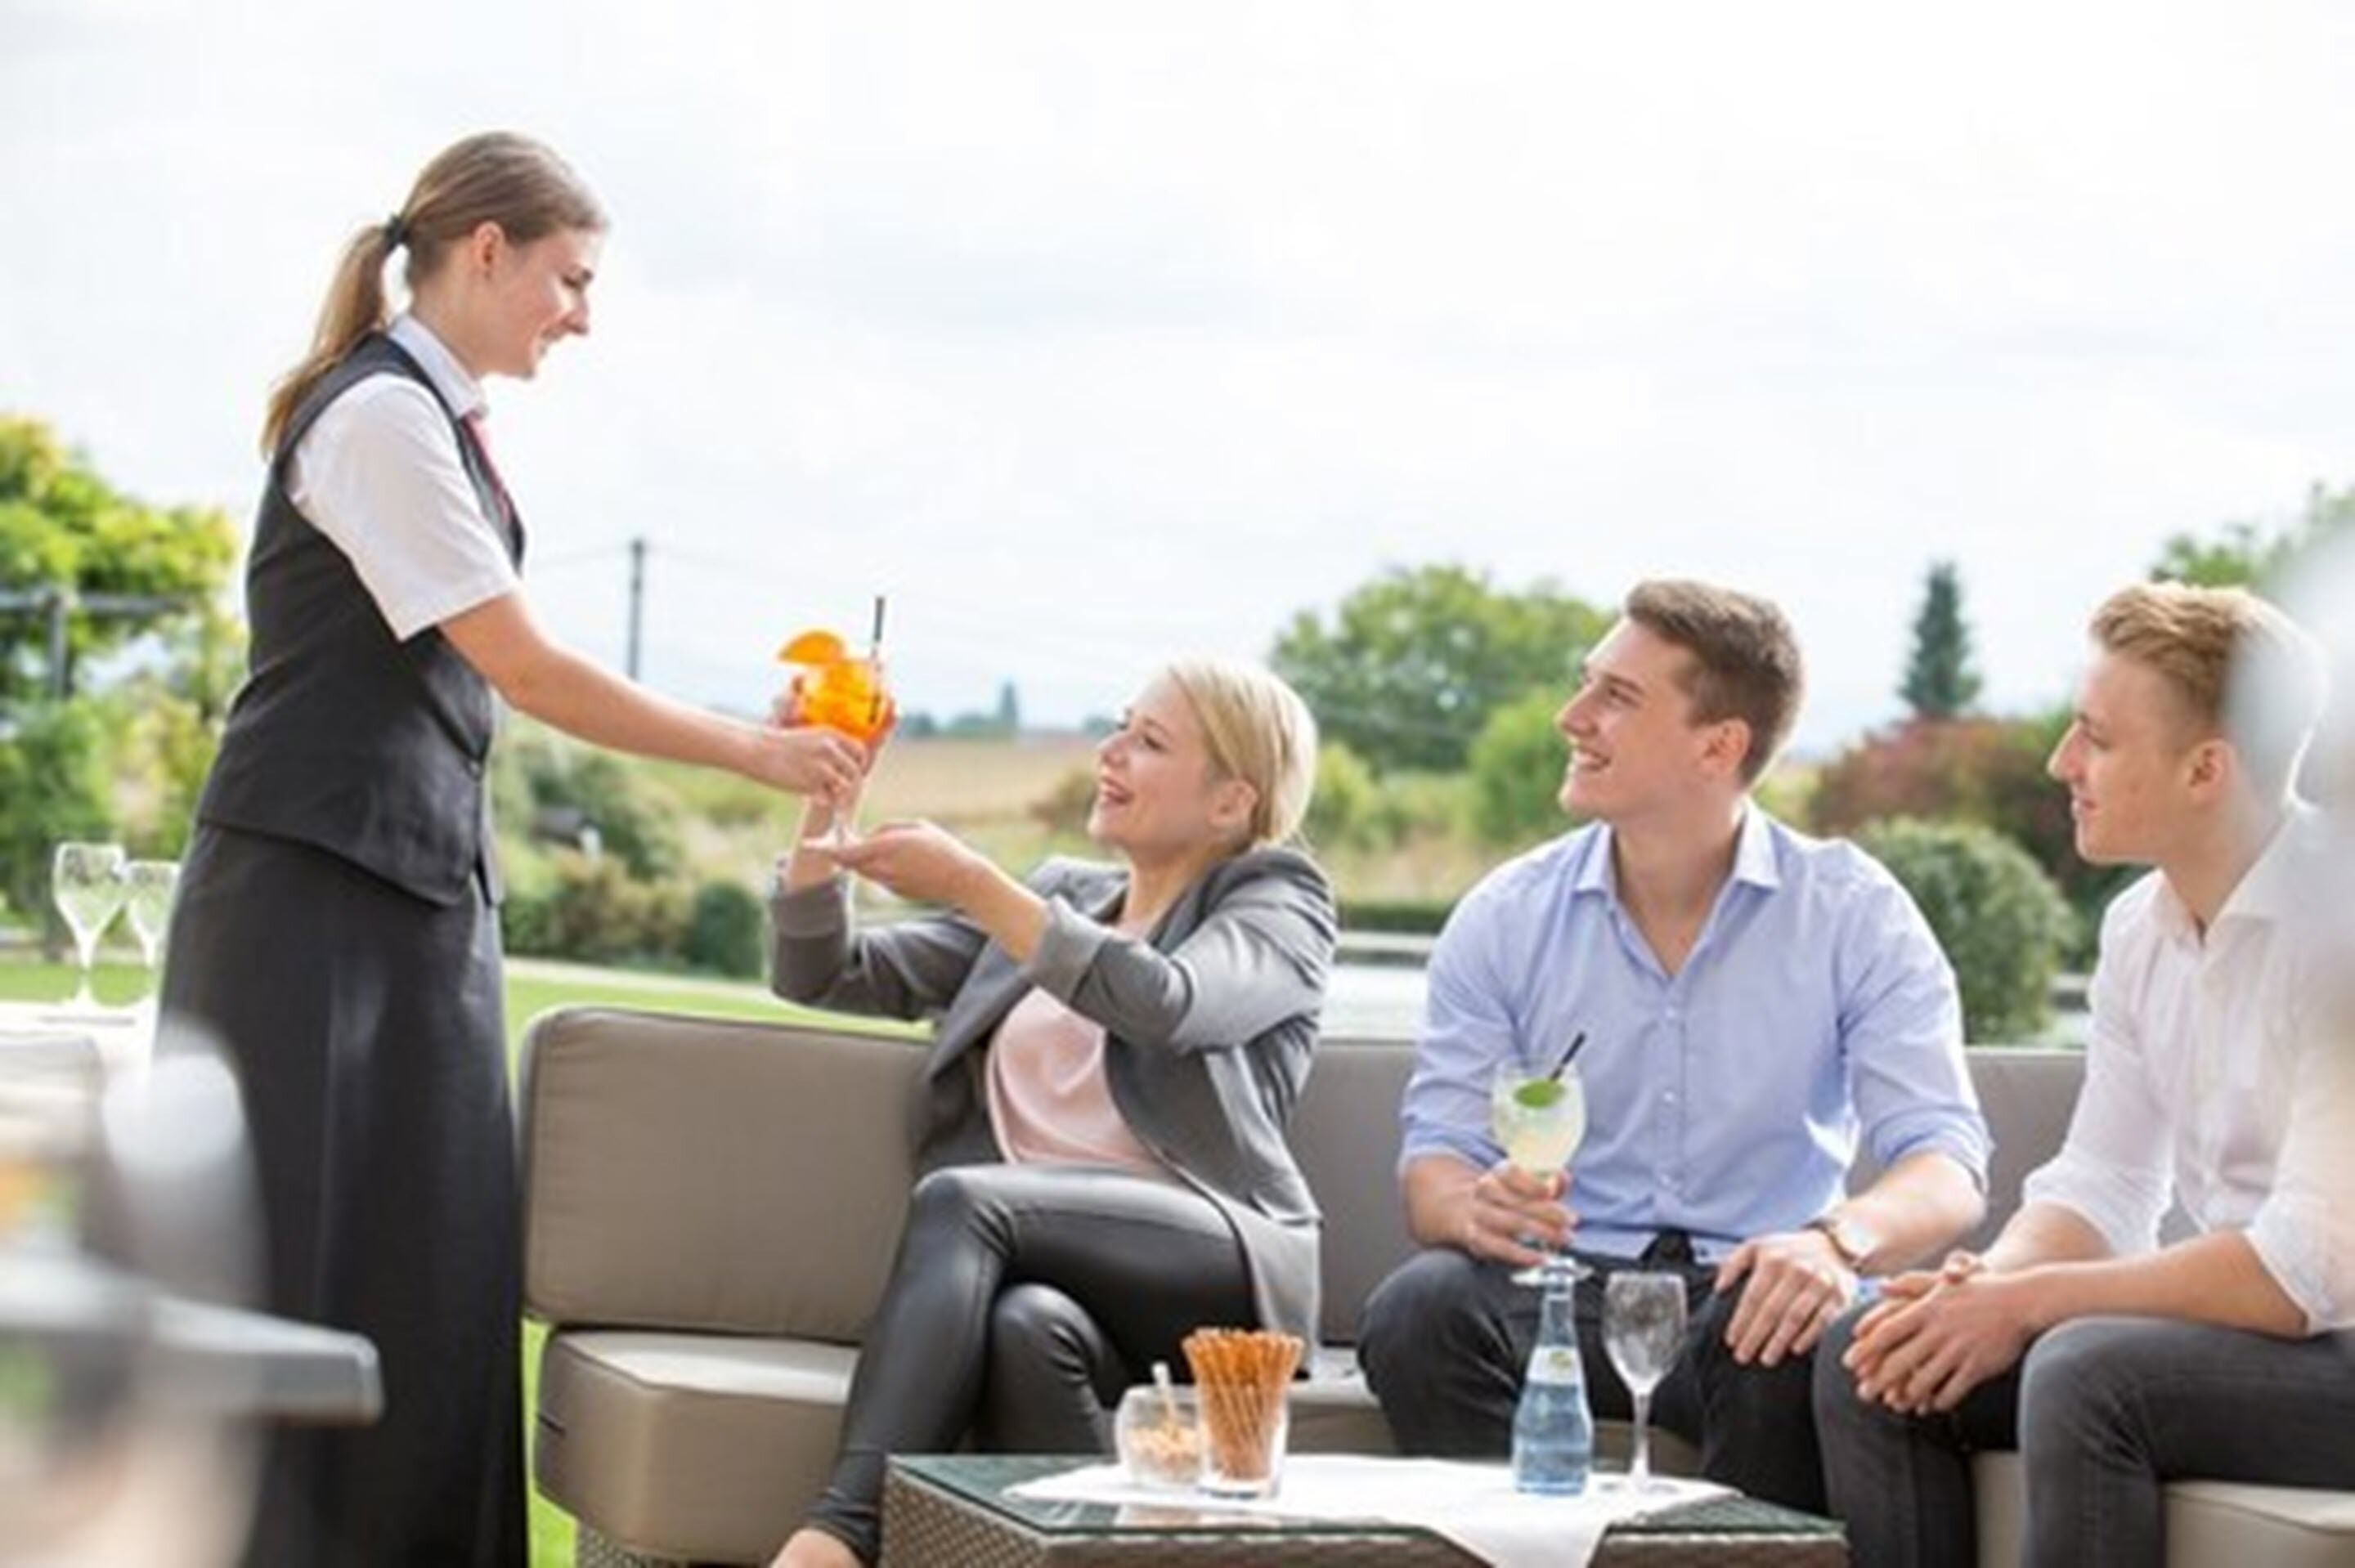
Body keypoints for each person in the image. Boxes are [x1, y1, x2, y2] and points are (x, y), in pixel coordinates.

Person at [157, 132, 864, 1568]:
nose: (583, 315)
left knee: (433, 1274)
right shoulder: (377, 419)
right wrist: (751, 750)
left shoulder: (439, 416)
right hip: (307, 900)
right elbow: (526, 672)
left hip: (413, 900)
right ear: (487, 251)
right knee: (300, 1267)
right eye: (571, 278)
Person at [1356, 579, 1989, 1514]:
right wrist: (1474, 1206)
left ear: (1718, 745)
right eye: (1587, 686)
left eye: (1617, 697)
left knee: (1783, 1331)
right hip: (1560, 1287)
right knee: (1419, 1311)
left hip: (1747, 1291)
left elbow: (1948, 1165)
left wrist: (1831, 1242)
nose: (1574, 717)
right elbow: (1434, 1168)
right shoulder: (1505, 916)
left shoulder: (1854, 914)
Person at [1814, 582, 2355, 1568]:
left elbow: (2301, 1271)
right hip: (2271, 1334)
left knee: (2086, 1369)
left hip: (2335, 1337)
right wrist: (1987, 1283)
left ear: (2206, 768)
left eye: (2097, 738)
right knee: (1873, 1348)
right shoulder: (2137, 928)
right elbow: (2104, 1181)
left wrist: (2032, 1302)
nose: (2064, 763)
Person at [763, 659, 1335, 1568]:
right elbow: (824, 972)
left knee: (964, 1200)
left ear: (1232, 802)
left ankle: (837, 1537)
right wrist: (828, 803)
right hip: (1041, 1267)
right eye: (1120, 725)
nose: (1110, 753)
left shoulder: (1278, 903)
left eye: (1149, 741)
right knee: (1025, 1328)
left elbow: (1167, 1002)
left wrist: (978, 885)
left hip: (1213, 1263)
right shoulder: (1060, 897)